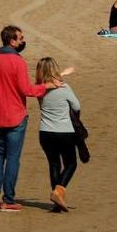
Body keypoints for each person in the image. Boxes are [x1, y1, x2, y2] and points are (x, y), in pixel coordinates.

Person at [0, 26, 66, 212]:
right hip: (15, 118)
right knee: (12, 158)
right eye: (20, 38)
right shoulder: (17, 62)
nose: (22, 41)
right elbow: (27, 90)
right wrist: (48, 85)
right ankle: (8, 199)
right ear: (12, 41)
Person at [35, 57, 80, 212]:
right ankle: (58, 192)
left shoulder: (39, 88)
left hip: (45, 133)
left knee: (54, 164)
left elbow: (46, 83)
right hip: (64, 131)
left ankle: (57, 202)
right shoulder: (64, 88)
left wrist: (62, 74)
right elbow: (76, 106)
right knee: (71, 163)